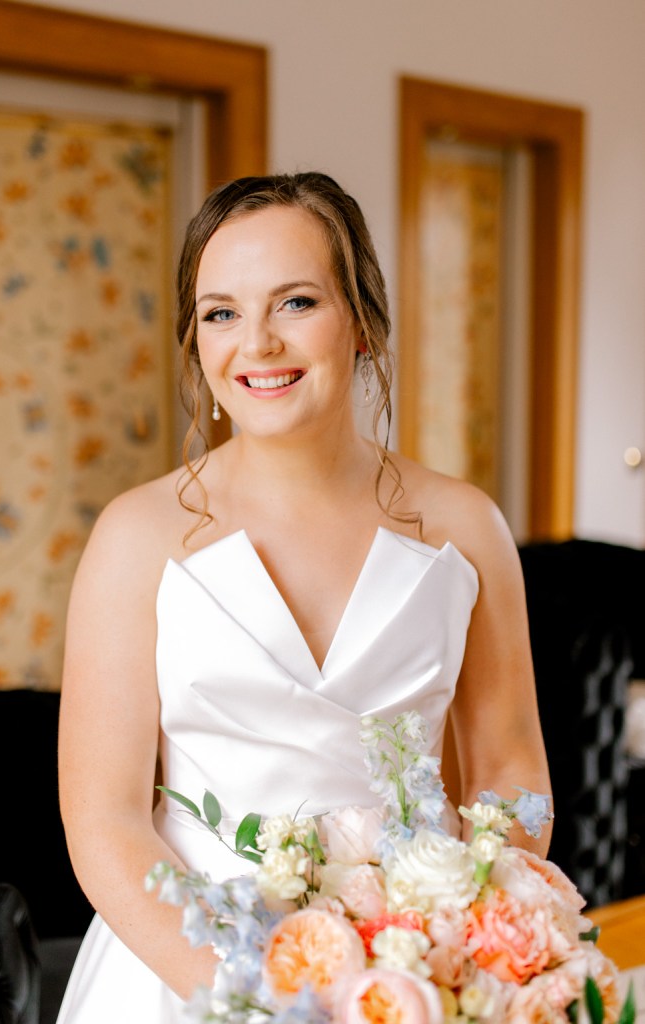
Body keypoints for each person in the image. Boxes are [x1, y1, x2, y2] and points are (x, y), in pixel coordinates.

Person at [56, 171, 551, 1022]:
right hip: (187, 974)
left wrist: (452, 940)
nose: (257, 343)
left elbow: (507, 771)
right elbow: (104, 821)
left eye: (294, 303)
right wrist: (248, 995)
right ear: (196, 340)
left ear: (360, 320)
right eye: (221, 313)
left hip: (409, 976)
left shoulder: (465, 526)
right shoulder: (135, 538)